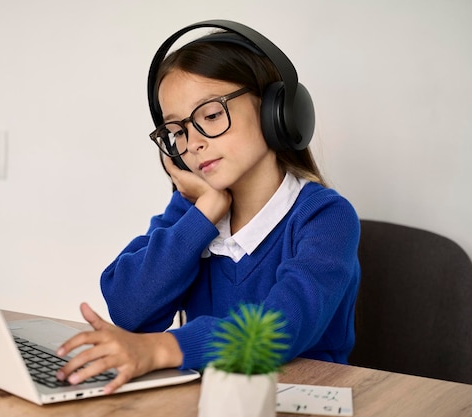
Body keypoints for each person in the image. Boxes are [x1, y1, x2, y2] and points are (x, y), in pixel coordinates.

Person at [56, 21, 360, 395]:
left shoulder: (326, 217)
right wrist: (204, 213)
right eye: (178, 131)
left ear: (276, 110)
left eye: (211, 115)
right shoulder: (192, 211)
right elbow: (129, 309)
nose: (193, 143)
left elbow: (280, 328)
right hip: (210, 399)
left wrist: (164, 348)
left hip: (296, 398)